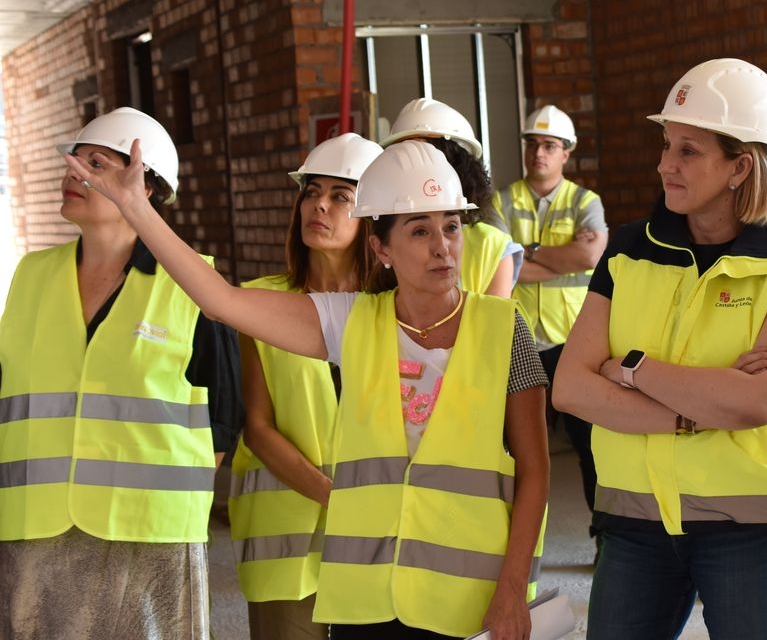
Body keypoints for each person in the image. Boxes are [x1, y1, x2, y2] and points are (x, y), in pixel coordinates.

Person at [68, 140, 550, 640]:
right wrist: (136, 209)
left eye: (451, 226)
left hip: (468, 595)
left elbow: (535, 468)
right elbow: (219, 301)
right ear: (381, 247)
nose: (442, 246)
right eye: (421, 230)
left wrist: (514, 589)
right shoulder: (353, 323)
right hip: (367, 602)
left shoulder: (503, 327)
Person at [553, 58, 767, 640]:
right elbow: (572, 388)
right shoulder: (626, 250)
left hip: (752, 521)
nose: (665, 164)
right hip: (634, 517)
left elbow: (760, 402)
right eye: (667, 145)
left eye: (688, 150)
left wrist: (630, 368)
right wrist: (696, 408)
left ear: (740, 167)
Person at [0, 107, 242, 639]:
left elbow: (224, 418)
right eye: (72, 162)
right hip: (32, 528)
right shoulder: (30, 277)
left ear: (145, 188)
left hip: (148, 536)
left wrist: (163, 502)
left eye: (96, 163)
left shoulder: (192, 284)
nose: (74, 174)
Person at [228, 132, 382, 640]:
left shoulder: (399, 310)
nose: (319, 204)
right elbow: (258, 427)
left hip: (381, 530)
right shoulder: (260, 303)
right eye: (312, 192)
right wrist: (333, 497)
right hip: (285, 537)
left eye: (341, 195)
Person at [494, 104, 607, 547]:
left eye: (549, 145)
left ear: (566, 153)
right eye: (532, 144)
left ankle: (605, 537)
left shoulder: (585, 202)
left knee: (591, 447)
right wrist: (552, 254)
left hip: (572, 341)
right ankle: (510, 540)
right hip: (518, 339)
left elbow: (590, 257)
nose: (538, 152)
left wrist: (525, 253)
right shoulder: (501, 201)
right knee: (515, 449)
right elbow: (500, 266)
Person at [384, 97, 522, 297]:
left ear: (457, 165)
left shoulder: (490, 244)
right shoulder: (382, 236)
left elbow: (495, 324)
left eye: (424, 155)